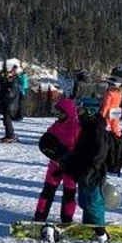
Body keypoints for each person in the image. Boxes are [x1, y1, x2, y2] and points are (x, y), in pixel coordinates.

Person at [64, 111, 114, 243]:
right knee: (84, 201)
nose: (79, 118)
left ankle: (101, 233)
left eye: (81, 115)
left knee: (94, 202)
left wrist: (90, 170)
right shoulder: (86, 129)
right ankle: (89, 225)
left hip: (94, 174)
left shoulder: (97, 130)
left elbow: (99, 154)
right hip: (83, 172)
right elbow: (79, 151)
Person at [34, 98, 80, 228]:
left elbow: (80, 147)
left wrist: (71, 161)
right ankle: (40, 216)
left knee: (69, 194)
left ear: (68, 112)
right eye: (57, 112)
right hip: (55, 165)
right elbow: (47, 143)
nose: (58, 115)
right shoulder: (55, 126)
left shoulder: (77, 127)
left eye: (61, 112)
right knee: (47, 192)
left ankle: (66, 219)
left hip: (71, 167)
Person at [0, 66, 21, 143]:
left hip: (10, 104)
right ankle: (8, 135)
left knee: (7, 120)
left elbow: (10, 94)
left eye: (10, 73)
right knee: (6, 120)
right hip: (8, 104)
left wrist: (4, 91)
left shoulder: (14, 82)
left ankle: (11, 135)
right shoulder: (10, 81)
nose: (8, 74)